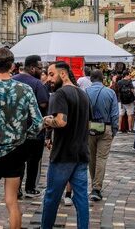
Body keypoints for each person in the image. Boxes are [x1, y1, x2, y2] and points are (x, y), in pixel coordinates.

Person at [0, 47, 43, 229]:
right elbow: (38, 122)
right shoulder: (25, 89)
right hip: (16, 149)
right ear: (12, 66)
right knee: (12, 200)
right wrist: (24, 135)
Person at [41, 61, 90, 229]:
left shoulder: (60, 94)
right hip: (81, 154)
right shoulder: (83, 94)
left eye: (51, 74)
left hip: (63, 155)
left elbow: (61, 121)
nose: (48, 79)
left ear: (63, 74)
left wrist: (46, 120)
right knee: (82, 198)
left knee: (52, 198)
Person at [13, 54, 50, 199]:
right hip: (35, 130)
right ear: (33, 68)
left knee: (18, 161)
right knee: (34, 161)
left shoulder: (12, 80)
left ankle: (16, 188)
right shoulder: (37, 83)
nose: (42, 71)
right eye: (40, 68)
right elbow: (43, 103)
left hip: (16, 130)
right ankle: (30, 188)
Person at [85, 69, 118, 202]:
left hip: (88, 128)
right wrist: (114, 130)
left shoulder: (84, 92)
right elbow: (115, 114)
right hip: (106, 127)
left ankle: (94, 184)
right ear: (102, 79)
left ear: (91, 79)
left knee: (92, 158)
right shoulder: (110, 92)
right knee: (101, 158)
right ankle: (96, 188)